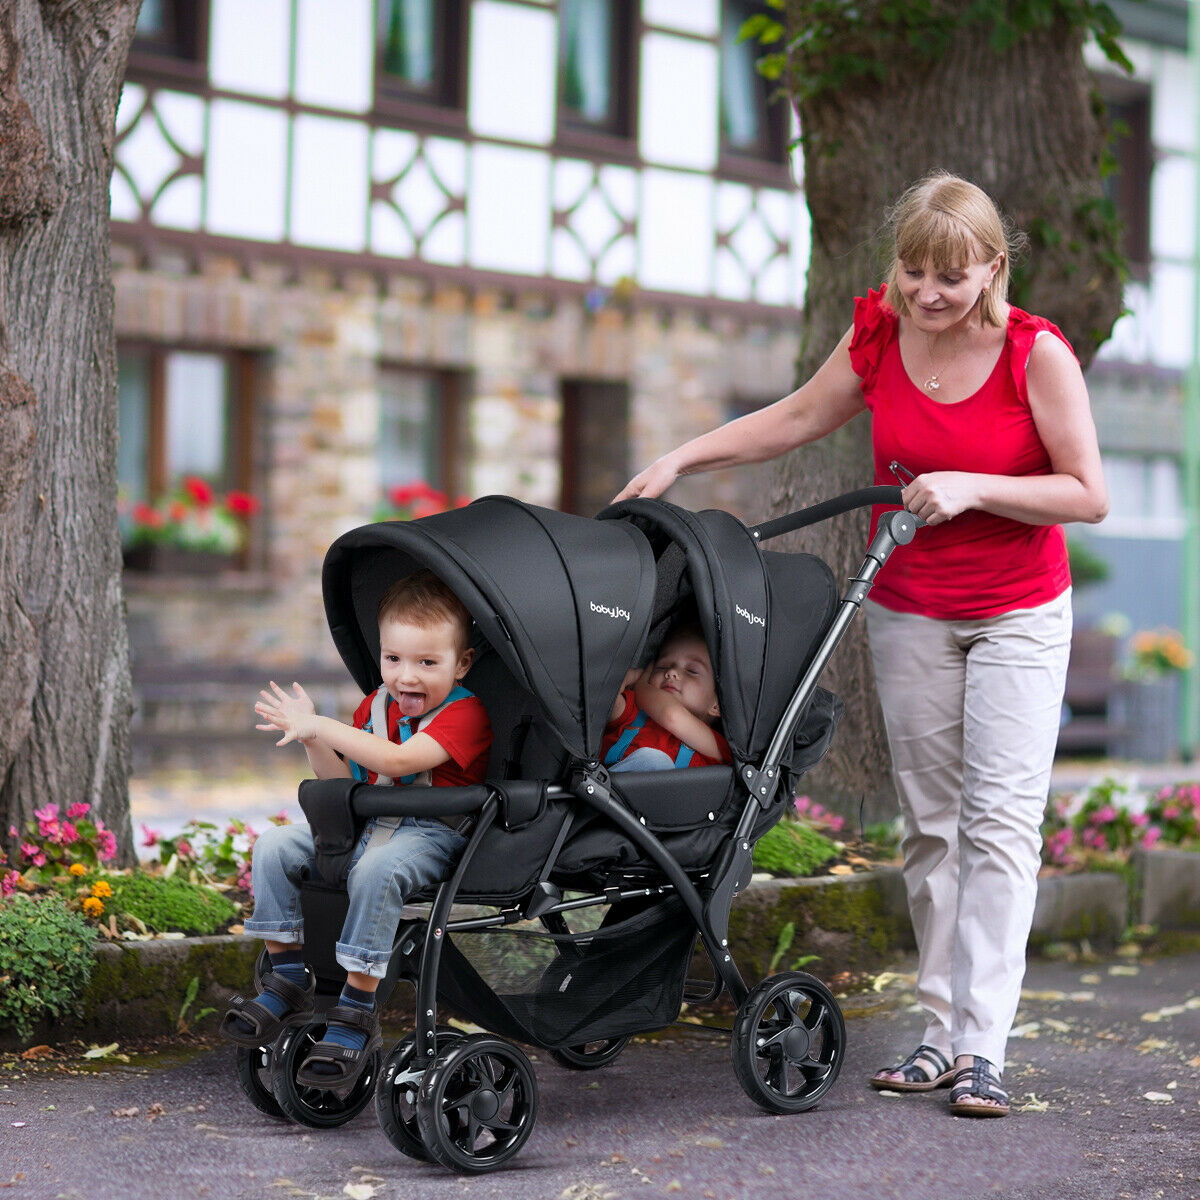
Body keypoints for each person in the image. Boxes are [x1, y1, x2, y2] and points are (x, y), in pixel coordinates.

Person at [614, 172, 1108, 1118]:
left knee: (1000, 825)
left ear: (992, 269)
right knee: (932, 824)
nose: (928, 293)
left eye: (951, 277)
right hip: (912, 605)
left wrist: (972, 485)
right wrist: (684, 457)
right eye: (914, 272)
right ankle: (938, 1034)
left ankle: (984, 1047)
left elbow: (1087, 493)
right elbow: (799, 416)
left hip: (1017, 611)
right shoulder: (880, 331)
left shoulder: (1035, 354)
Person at [220, 569, 492, 1089]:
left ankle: (357, 1008)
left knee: (376, 871)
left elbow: (399, 760)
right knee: (274, 846)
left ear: (461, 664)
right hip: (367, 824)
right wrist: (311, 738)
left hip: (433, 833)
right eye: (393, 659)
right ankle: (287, 977)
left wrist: (324, 724)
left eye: (427, 663)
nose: (406, 676)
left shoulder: (466, 714)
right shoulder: (375, 706)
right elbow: (342, 783)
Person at [603, 622, 732, 772]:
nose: (671, 672)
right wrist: (631, 675)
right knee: (654, 762)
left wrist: (641, 683)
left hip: (670, 787)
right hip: (612, 784)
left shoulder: (717, 746)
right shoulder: (632, 711)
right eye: (662, 666)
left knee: (657, 762)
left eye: (692, 671)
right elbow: (604, 694)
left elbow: (671, 715)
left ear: (717, 705)